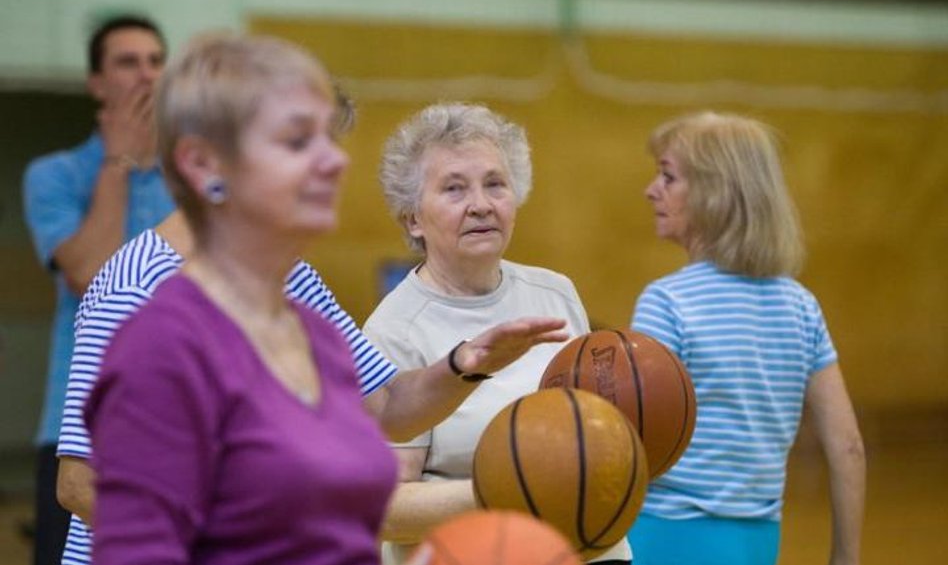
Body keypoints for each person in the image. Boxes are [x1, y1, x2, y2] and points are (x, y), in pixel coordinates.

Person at [81, 33, 567, 565]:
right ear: (205, 165)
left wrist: (464, 365)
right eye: (296, 142)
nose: (333, 162)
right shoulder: (157, 322)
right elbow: (92, 494)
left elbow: (386, 409)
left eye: (328, 141)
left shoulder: (303, 303)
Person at [363, 102, 631, 564]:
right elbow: (387, 510)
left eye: (495, 184)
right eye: (454, 188)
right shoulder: (393, 329)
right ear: (413, 218)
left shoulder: (556, 292)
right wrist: (518, 487)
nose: (481, 204)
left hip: (584, 549)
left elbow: (589, 437)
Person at [625, 111, 865, 565]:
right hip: (758, 544)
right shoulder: (802, 307)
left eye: (668, 176)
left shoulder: (667, 302)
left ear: (714, 194)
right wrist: (846, 557)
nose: (651, 189)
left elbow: (630, 444)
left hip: (662, 538)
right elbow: (848, 445)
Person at [21, 14, 175, 565]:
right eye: (127, 62)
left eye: (156, 62)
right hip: (76, 434)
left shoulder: (190, 180)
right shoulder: (54, 175)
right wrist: (119, 161)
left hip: (171, 424)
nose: (146, 75)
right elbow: (88, 274)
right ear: (95, 83)